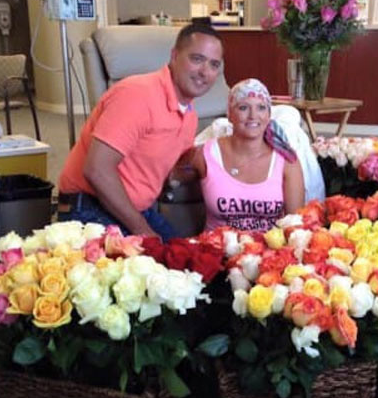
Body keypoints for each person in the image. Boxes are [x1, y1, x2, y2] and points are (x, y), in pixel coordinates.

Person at [57, 23, 224, 240]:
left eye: (214, 64)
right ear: (174, 56)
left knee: (189, 255)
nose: (205, 72)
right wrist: (142, 230)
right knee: (161, 259)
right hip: (88, 207)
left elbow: (173, 171)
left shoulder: (189, 115)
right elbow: (97, 170)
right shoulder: (137, 95)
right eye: (197, 59)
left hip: (136, 208)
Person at [179, 78, 305, 231]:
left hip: (269, 246)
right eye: (243, 108)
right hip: (216, 245)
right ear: (230, 114)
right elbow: (168, 178)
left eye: (261, 108)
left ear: (268, 115)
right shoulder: (204, 154)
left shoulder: (287, 161)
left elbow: (295, 227)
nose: (253, 116)